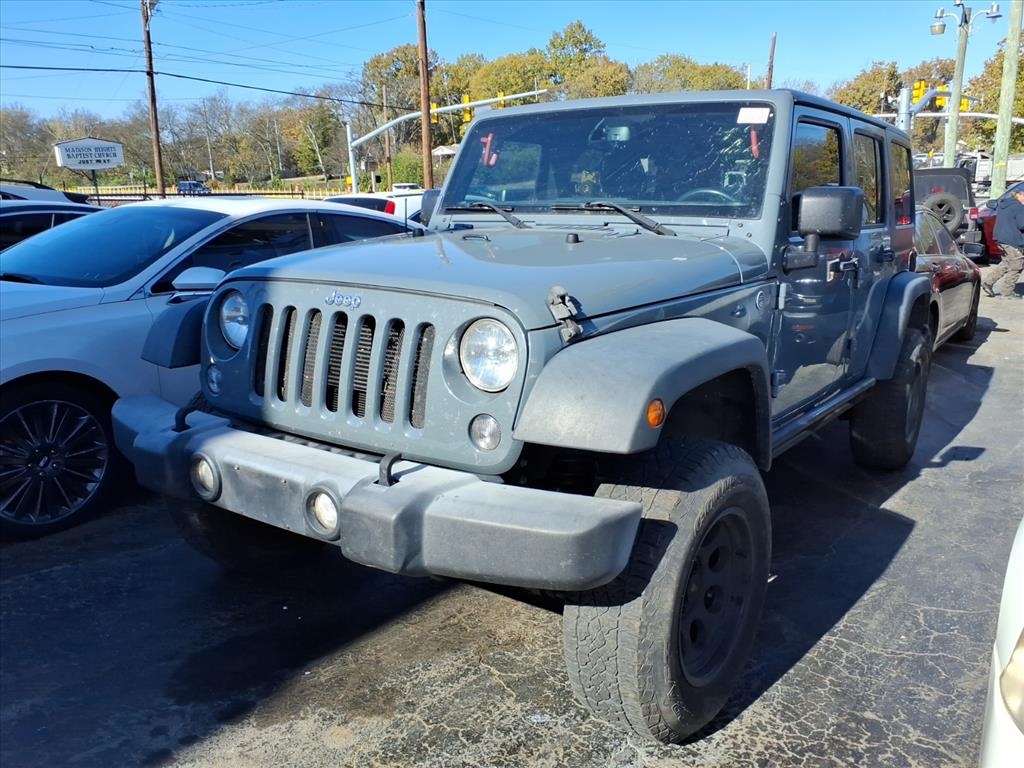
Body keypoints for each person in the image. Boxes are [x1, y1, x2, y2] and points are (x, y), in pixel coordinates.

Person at [982, 186, 1024, 299]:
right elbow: (1022, 224)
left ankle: (988, 282)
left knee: (1007, 263)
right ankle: (1007, 292)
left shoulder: (1004, 205)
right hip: (1012, 240)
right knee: (1017, 265)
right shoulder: (1018, 207)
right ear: (1019, 194)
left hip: (1000, 238)